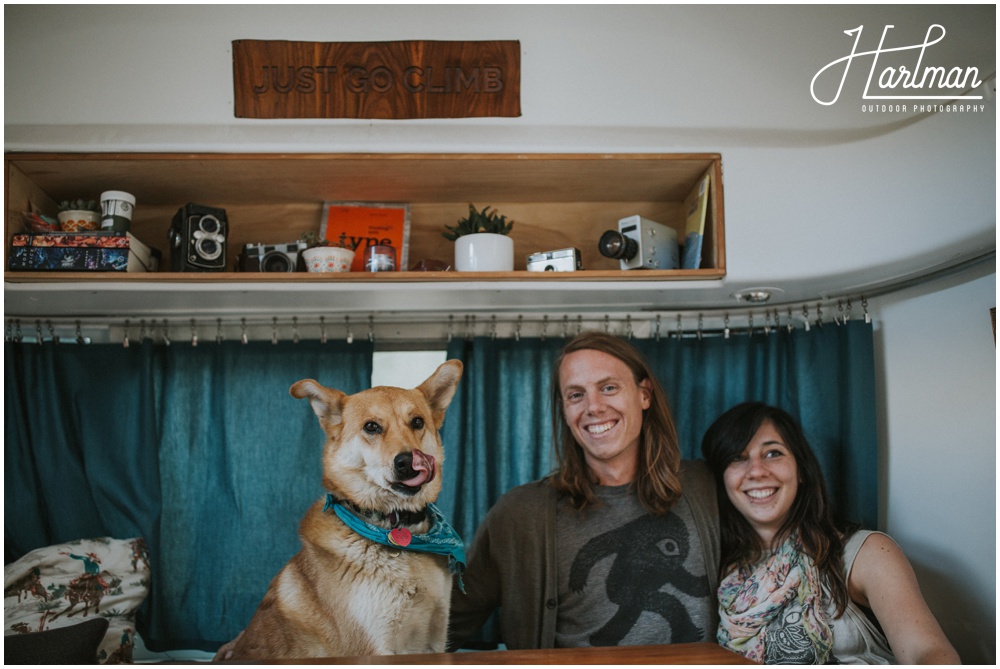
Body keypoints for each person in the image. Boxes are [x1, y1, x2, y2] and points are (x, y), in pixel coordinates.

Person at [447, 331, 720, 651]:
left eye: (609, 388)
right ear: (564, 409)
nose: (594, 407)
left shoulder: (707, 486)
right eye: (576, 395)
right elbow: (442, 624)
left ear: (644, 394)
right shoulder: (519, 514)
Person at [700, 401, 960, 664]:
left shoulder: (865, 552)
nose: (756, 471)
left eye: (773, 454)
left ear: (801, 471)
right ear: (722, 480)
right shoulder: (722, 572)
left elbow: (928, 654)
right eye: (738, 458)